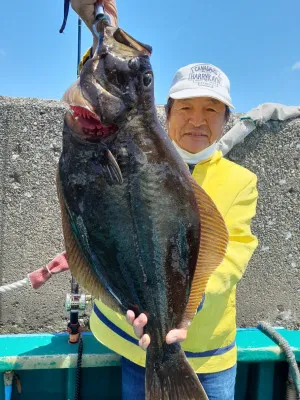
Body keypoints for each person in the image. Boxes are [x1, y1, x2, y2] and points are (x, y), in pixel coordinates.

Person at [49, 1, 258, 398]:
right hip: (132, 342)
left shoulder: (240, 181)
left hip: (209, 352)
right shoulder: (139, 150)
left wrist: (184, 309)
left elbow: (233, 256)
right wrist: (100, 21)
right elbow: (105, 85)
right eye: (187, 108)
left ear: (226, 119)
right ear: (167, 112)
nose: (198, 120)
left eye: (211, 110)